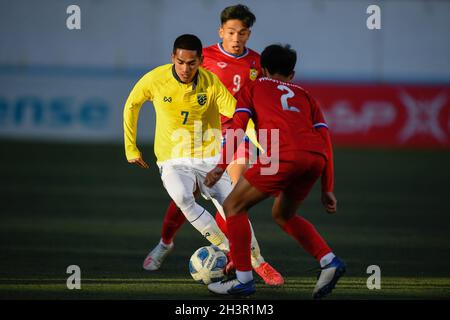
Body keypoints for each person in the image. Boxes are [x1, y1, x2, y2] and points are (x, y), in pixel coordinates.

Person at [142, 5, 284, 286]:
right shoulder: (201, 57)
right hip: (201, 136)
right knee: (184, 197)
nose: (236, 38)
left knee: (232, 199)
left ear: (249, 34)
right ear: (221, 31)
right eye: (231, 32)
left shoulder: (257, 64)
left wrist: (267, 139)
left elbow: (264, 100)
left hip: (237, 135)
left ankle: (252, 261)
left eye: (242, 33)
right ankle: (165, 243)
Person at [204, 44, 346, 299]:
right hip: (314, 160)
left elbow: (237, 128)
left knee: (233, 206)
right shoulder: (306, 95)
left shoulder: (254, 86)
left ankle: (243, 280)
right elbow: (326, 140)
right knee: (284, 215)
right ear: (291, 74)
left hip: (282, 156)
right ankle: (329, 260)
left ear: (263, 69)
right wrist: (328, 188)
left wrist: (220, 167)